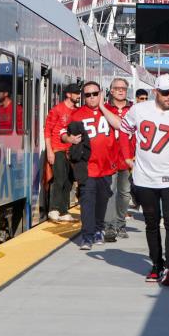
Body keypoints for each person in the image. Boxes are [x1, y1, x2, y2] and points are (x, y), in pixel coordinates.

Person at [118, 73, 169, 286]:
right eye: (166, 93)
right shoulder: (139, 109)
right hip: (145, 177)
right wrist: (128, 157)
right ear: (155, 92)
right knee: (151, 223)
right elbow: (124, 131)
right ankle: (156, 264)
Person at [70, 81, 118, 250]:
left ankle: (99, 229)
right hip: (87, 166)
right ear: (83, 97)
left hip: (106, 165)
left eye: (95, 94)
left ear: (101, 94)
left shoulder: (110, 111)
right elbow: (66, 134)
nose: (92, 98)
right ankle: (87, 236)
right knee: (87, 201)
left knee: (101, 201)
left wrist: (103, 107)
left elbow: (119, 125)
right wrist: (69, 139)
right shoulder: (77, 114)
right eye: (88, 95)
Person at [44, 83, 82, 222]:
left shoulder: (77, 111)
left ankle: (64, 210)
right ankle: (53, 209)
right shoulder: (57, 110)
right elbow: (48, 130)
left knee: (69, 180)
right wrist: (49, 151)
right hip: (57, 148)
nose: (79, 95)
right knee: (59, 179)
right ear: (68, 94)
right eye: (76, 93)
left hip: (71, 151)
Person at [103, 78, 133, 241]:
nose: (121, 91)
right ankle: (109, 226)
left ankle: (121, 223)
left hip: (128, 157)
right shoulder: (105, 108)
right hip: (109, 157)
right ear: (111, 91)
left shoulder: (134, 109)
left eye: (124, 88)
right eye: (117, 88)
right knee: (110, 192)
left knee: (125, 193)